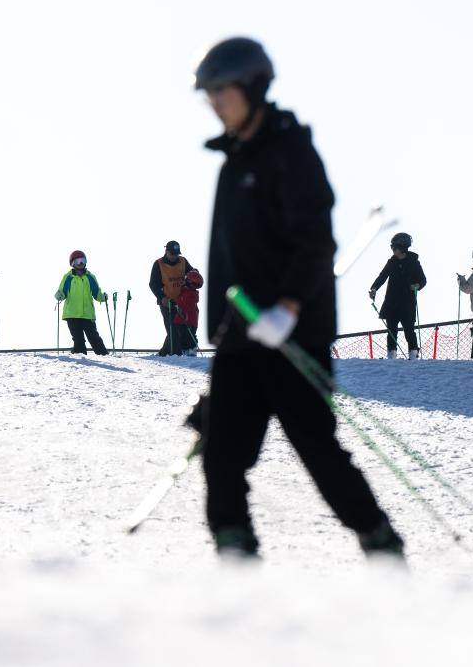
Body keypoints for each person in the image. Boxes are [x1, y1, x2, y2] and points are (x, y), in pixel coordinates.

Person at [194, 36, 403, 558]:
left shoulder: (291, 152)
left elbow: (315, 239)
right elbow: (227, 261)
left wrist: (287, 307)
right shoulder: (231, 165)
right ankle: (235, 555)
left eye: (220, 91)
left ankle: (379, 540)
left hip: (293, 334)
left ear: (251, 87)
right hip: (243, 335)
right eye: (209, 94)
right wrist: (223, 333)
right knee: (220, 451)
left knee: (315, 447)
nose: (213, 103)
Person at [369, 233, 427, 359]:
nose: (393, 250)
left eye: (395, 247)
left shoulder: (414, 263)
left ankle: (413, 354)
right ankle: (391, 355)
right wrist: (374, 288)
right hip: (392, 302)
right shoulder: (391, 262)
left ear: (403, 248)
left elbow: (423, 280)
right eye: (392, 248)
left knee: (409, 330)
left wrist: (417, 285)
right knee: (391, 331)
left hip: (407, 302)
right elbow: (382, 276)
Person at [54, 250, 109, 355]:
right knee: (78, 338)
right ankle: (81, 359)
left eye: (83, 260)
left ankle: (104, 356)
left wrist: (102, 298)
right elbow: (63, 291)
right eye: (78, 261)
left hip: (87, 314)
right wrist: (60, 295)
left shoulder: (90, 277)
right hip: (72, 314)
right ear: (72, 263)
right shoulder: (68, 277)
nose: (81, 263)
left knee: (93, 337)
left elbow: (96, 292)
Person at [149, 241, 194, 356]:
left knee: (180, 328)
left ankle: (163, 354)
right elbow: (153, 284)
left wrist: (195, 274)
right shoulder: (158, 264)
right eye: (172, 254)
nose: (174, 257)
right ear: (167, 251)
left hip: (181, 301)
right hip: (167, 302)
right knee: (172, 328)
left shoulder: (183, 261)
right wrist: (162, 297)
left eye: (176, 254)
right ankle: (176, 355)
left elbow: (192, 272)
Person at [172, 269, 203, 356]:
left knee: (189, 335)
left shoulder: (192, 294)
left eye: (186, 279)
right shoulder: (184, 291)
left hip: (188, 319)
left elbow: (187, 306)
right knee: (182, 335)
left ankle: (191, 349)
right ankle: (185, 350)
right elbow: (179, 300)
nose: (184, 281)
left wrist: (184, 314)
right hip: (183, 318)